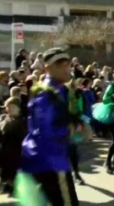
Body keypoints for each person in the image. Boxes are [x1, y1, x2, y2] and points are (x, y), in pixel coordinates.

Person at [18, 48, 79, 205]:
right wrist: (74, 129)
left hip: (51, 157)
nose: (67, 68)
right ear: (48, 69)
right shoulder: (46, 94)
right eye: (61, 65)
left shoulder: (60, 90)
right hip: (51, 159)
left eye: (68, 64)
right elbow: (47, 131)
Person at [0, 97, 26, 196]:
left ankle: (15, 188)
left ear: (17, 107)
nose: (8, 109)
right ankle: (8, 186)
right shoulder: (5, 118)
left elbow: (21, 135)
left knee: (14, 169)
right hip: (6, 149)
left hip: (16, 150)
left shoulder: (22, 120)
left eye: (10, 107)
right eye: (7, 107)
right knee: (6, 169)